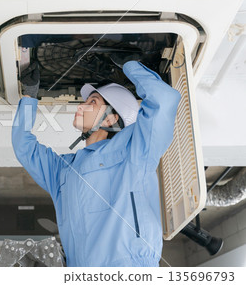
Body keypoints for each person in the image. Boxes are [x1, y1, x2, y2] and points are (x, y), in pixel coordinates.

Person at [12, 60, 181, 267]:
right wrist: (29, 96)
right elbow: (24, 147)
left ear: (111, 119)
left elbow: (164, 99)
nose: (81, 106)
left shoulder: (134, 149)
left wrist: (128, 66)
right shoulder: (64, 170)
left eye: (92, 102)